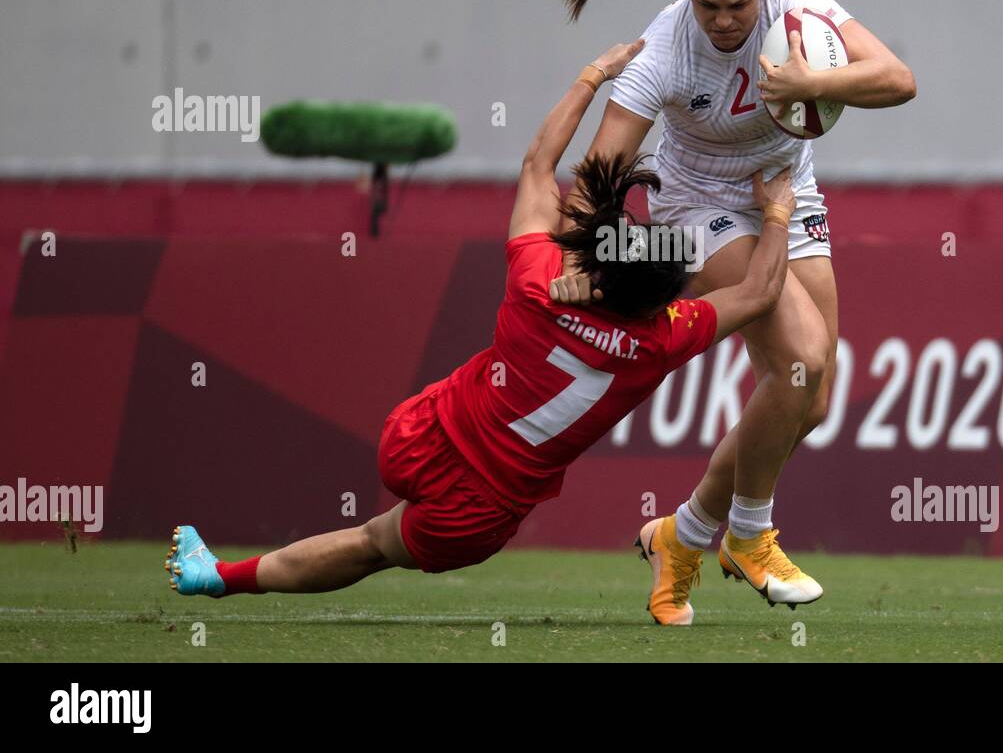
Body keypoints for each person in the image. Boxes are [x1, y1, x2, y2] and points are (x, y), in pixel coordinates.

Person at [165, 38, 797, 615]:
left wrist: (593, 76)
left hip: (419, 438)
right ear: (659, 298)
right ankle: (220, 575)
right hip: (478, 513)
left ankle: (216, 571)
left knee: (369, 530)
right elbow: (763, 289)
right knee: (368, 546)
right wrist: (776, 213)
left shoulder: (537, 282)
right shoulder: (663, 337)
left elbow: (536, 167)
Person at [554, 0, 916, 623]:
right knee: (801, 355)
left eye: (739, 7)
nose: (724, 22)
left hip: (789, 189)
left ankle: (680, 536)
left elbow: (899, 79)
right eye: (709, 6)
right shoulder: (663, 52)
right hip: (698, 204)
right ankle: (750, 535)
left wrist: (815, 83)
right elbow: (599, 168)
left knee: (808, 400)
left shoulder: (801, 7)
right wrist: (577, 257)